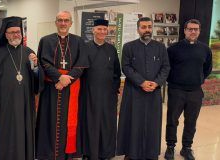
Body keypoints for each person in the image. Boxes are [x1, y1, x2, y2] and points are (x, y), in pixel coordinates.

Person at [0, 16, 44, 160]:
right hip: (5, 105)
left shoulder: (29, 52)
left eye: (18, 32)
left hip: (25, 104)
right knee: (7, 134)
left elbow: (37, 81)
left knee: (25, 133)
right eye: (12, 32)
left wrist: (36, 66)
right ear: (5, 35)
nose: (16, 35)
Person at [35, 11, 88, 159]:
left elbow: (82, 64)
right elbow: (43, 62)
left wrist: (67, 80)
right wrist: (59, 77)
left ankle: (67, 155)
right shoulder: (45, 40)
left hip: (71, 90)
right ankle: (48, 153)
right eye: (60, 20)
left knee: (68, 123)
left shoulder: (79, 41)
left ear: (71, 23)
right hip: (52, 88)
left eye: (66, 20)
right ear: (55, 22)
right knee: (49, 121)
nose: (63, 23)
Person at [116, 17, 170, 160]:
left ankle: (151, 153)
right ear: (138, 29)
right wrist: (141, 82)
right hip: (134, 91)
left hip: (154, 91)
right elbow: (126, 67)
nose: (147, 30)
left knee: (152, 123)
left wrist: (156, 83)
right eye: (143, 27)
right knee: (132, 122)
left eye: (149, 27)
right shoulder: (128, 47)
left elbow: (166, 67)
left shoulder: (160, 47)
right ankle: (130, 152)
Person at [164, 19, 212, 160]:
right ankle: (170, 146)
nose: (193, 31)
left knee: (191, 121)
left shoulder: (205, 49)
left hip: (195, 91)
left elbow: (207, 69)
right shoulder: (173, 49)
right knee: (172, 120)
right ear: (184, 30)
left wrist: (197, 80)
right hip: (176, 90)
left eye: (196, 29)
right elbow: (166, 68)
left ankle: (186, 148)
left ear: (199, 31)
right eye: (190, 29)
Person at [81, 19, 121, 160]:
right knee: (89, 123)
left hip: (108, 95)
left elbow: (117, 72)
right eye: (99, 29)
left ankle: (106, 153)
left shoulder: (112, 49)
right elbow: (80, 72)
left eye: (105, 29)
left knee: (107, 124)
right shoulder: (85, 48)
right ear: (93, 30)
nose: (102, 32)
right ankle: (88, 153)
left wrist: (114, 89)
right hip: (89, 94)